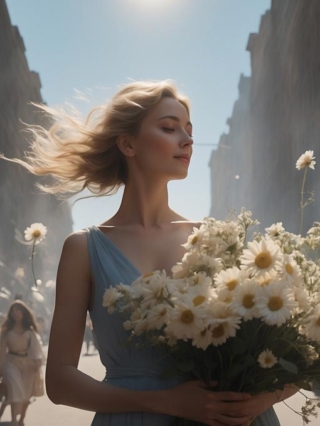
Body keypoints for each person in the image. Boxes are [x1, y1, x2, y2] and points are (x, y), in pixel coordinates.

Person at [1, 80, 298, 425]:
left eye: (188, 130)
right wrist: (166, 402)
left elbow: (293, 352)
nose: (187, 140)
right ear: (128, 143)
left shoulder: (215, 239)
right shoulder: (82, 248)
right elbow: (60, 383)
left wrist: (259, 400)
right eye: (170, 128)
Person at [0, 300, 45, 426]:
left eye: (18, 309)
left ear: (24, 312)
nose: (15, 312)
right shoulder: (6, 330)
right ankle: (14, 421)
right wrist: (0, 367)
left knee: (26, 395)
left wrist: (37, 363)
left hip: (28, 364)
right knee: (16, 390)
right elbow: (2, 351)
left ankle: (21, 419)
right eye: (13, 310)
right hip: (11, 362)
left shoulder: (30, 330)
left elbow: (36, 349)